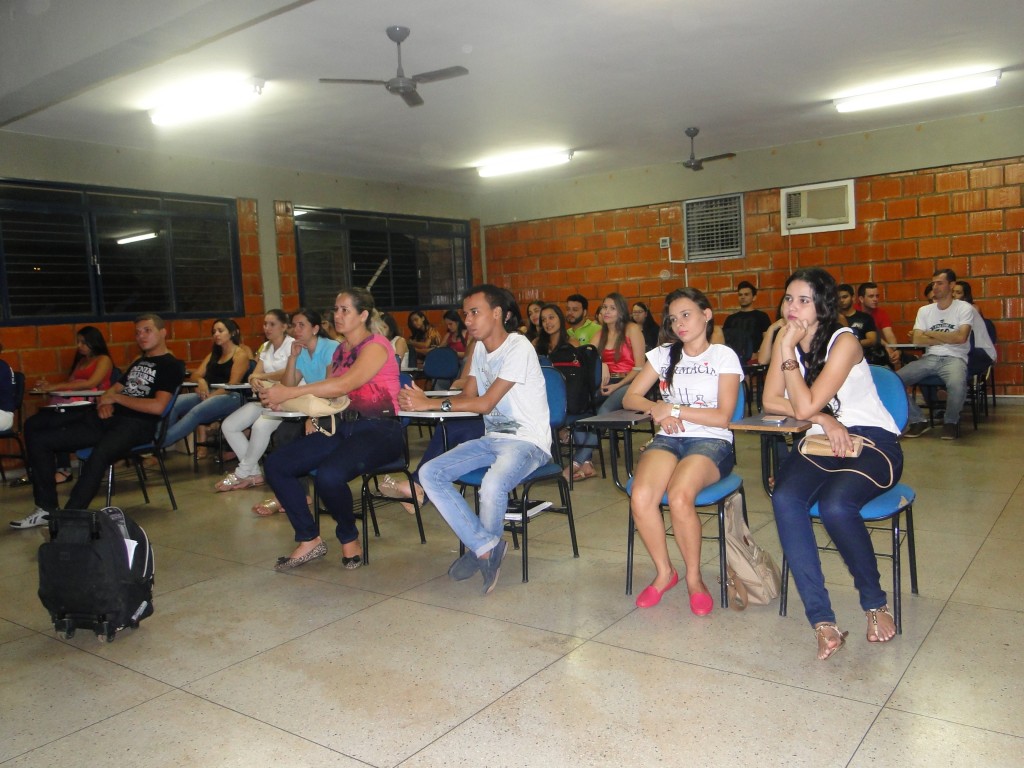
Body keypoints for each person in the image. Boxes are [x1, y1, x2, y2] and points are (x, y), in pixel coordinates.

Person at [763, 268, 903, 660]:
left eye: (803, 300)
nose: (792, 308)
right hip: (821, 440)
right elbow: (770, 402)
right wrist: (824, 419)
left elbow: (801, 404)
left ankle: (874, 603)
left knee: (836, 505)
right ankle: (822, 621)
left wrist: (788, 356)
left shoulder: (844, 341)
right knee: (785, 498)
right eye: (788, 299)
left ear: (822, 306)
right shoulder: (786, 341)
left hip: (872, 441)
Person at [400, 284, 550, 595]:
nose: (467, 320)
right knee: (430, 472)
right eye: (466, 313)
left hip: (527, 441)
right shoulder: (480, 349)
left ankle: (481, 552)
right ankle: (484, 547)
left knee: (492, 484)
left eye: (474, 312)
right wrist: (424, 400)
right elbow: (468, 394)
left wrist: (429, 404)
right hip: (492, 438)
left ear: (497, 313)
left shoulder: (519, 346)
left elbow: (484, 403)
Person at [260, 288, 403, 571]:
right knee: (277, 464)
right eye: (336, 310)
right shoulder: (340, 350)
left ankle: (348, 537)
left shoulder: (376, 346)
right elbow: (329, 394)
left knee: (329, 475)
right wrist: (298, 407)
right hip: (341, 426)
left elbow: (344, 385)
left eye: (345, 310)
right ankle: (309, 538)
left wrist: (288, 393)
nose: (337, 315)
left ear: (363, 315)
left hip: (380, 429)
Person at [622, 287, 742, 614]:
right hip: (670, 438)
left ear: (706, 314)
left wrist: (673, 409)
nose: (679, 324)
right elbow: (630, 397)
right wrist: (656, 408)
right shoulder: (664, 354)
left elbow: (723, 417)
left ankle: (693, 578)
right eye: (673, 319)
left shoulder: (723, 356)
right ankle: (665, 573)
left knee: (679, 495)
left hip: (712, 440)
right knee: (641, 496)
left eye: (686, 315)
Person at [12, 314, 184, 529]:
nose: (141, 336)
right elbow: (112, 390)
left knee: (99, 455)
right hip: (108, 418)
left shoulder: (171, 365)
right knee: (40, 439)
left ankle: (69, 518)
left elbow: (157, 407)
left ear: (163, 332)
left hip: (137, 424)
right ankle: (46, 508)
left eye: (147, 330)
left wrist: (116, 399)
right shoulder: (139, 362)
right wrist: (105, 403)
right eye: (138, 332)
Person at [250, 308, 340, 516]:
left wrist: (313, 416)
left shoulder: (331, 348)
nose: (296, 330)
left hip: (333, 408)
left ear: (315, 328)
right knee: (283, 435)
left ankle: (311, 490)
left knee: (300, 436)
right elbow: (289, 385)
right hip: (310, 405)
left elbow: (330, 387)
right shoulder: (300, 350)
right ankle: (299, 493)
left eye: (302, 325)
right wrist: (292, 357)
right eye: (294, 325)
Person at [568, 292, 646, 481]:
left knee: (604, 410)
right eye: (604, 307)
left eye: (612, 308)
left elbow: (640, 367)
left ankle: (577, 461)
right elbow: (585, 361)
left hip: (630, 383)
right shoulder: (599, 334)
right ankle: (587, 464)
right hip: (605, 384)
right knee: (579, 409)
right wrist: (601, 364)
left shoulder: (632, 329)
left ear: (621, 311)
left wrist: (617, 385)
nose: (607, 311)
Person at [214, 310, 294, 491]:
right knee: (229, 425)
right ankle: (254, 473)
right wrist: (254, 380)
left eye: (272, 324)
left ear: (284, 326)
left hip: (287, 400)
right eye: (265, 324)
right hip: (265, 398)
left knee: (260, 426)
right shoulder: (266, 346)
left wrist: (262, 377)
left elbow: (288, 372)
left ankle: (241, 473)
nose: (267, 328)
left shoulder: (292, 345)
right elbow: (254, 374)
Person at [31, 326, 115, 485]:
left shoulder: (103, 359)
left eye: (83, 342)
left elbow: (91, 383)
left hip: (92, 405)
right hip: (75, 403)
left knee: (57, 423)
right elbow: (70, 383)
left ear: (93, 342)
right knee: (39, 423)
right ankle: (44, 469)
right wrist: (49, 386)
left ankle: (64, 469)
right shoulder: (81, 361)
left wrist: (55, 387)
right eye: (78, 342)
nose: (79, 346)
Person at [897, 268, 974, 440]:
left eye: (940, 283)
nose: (935, 287)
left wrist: (929, 333)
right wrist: (947, 337)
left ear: (952, 285)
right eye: (933, 283)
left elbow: (961, 338)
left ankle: (951, 422)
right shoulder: (925, 310)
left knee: (957, 384)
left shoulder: (964, 308)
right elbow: (917, 339)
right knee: (893, 381)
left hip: (955, 358)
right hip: (930, 358)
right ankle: (918, 420)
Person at [163, 318, 251, 453]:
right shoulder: (213, 355)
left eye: (220, 331)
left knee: (196, 411)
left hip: (232, 396)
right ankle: (159, 438)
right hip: (209, 393)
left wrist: (210, 396)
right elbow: (195, 375)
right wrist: (201, 381)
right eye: (214, 332)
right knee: (174, 403)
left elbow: (232, 385)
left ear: (232, 333)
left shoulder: (240, 355)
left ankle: (159, 442)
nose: (216, 334)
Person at [952, 280, 997, 371]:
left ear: (965, 296)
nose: (953, 295)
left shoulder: (972, 308)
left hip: (974, 348)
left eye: (958, 293)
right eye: (952, 291)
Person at [722, 281, 771, 364]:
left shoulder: (762, 316)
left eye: (746, 294)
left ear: (754, 297)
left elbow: (768, 339)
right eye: (740, 295)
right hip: (734, 361)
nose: (743, 297)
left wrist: (759, 354)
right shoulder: (730, 319)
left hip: (755, 361)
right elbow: (723, 342)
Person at [857, 282, 901, 366]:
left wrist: (896, 351)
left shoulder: (881, 313)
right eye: (871, 296)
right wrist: (886, 345)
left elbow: (889, 335)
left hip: (875, 353)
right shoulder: (854, 311)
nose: (875, 299)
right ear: (861, 299)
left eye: (877, 296)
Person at [836, 283, 879, 351]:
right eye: (838, 298)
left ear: (853, 297)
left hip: (861, 354)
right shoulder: (833, 319)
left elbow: (872, 340)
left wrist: (852, 342)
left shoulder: (865, 318)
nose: (841, 300)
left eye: (845, 297)